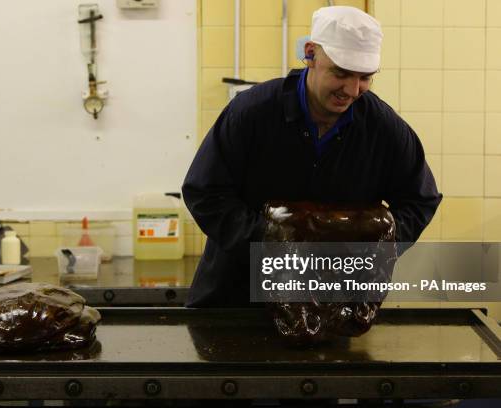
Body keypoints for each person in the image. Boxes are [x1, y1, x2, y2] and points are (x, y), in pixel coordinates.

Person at [182, 6, 442, 307]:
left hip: (334, 308)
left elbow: (421, 200)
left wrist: (372, 250)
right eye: (341, 73)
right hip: (237, 300)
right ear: (311, 54)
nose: (352, 89)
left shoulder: (384, 130)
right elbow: (204, 192)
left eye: (365, 78)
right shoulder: (251, 114)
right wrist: (272, 246)